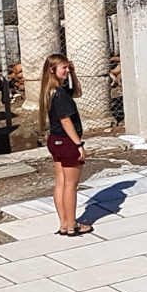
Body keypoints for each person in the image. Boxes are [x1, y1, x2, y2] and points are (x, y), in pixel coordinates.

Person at [41, 54, 91, 237]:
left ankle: (63, 223)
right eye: (64, 68)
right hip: (67, 142)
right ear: (52, 70)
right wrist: (78, 144)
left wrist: (73, 74)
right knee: (71, 185)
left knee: (61, 183)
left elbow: (77, 92)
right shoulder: (60, 94)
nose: (67, 70)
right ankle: (72, 225)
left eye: (68, 67)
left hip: (55, 141)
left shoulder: (52, 90)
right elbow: (65, 120)